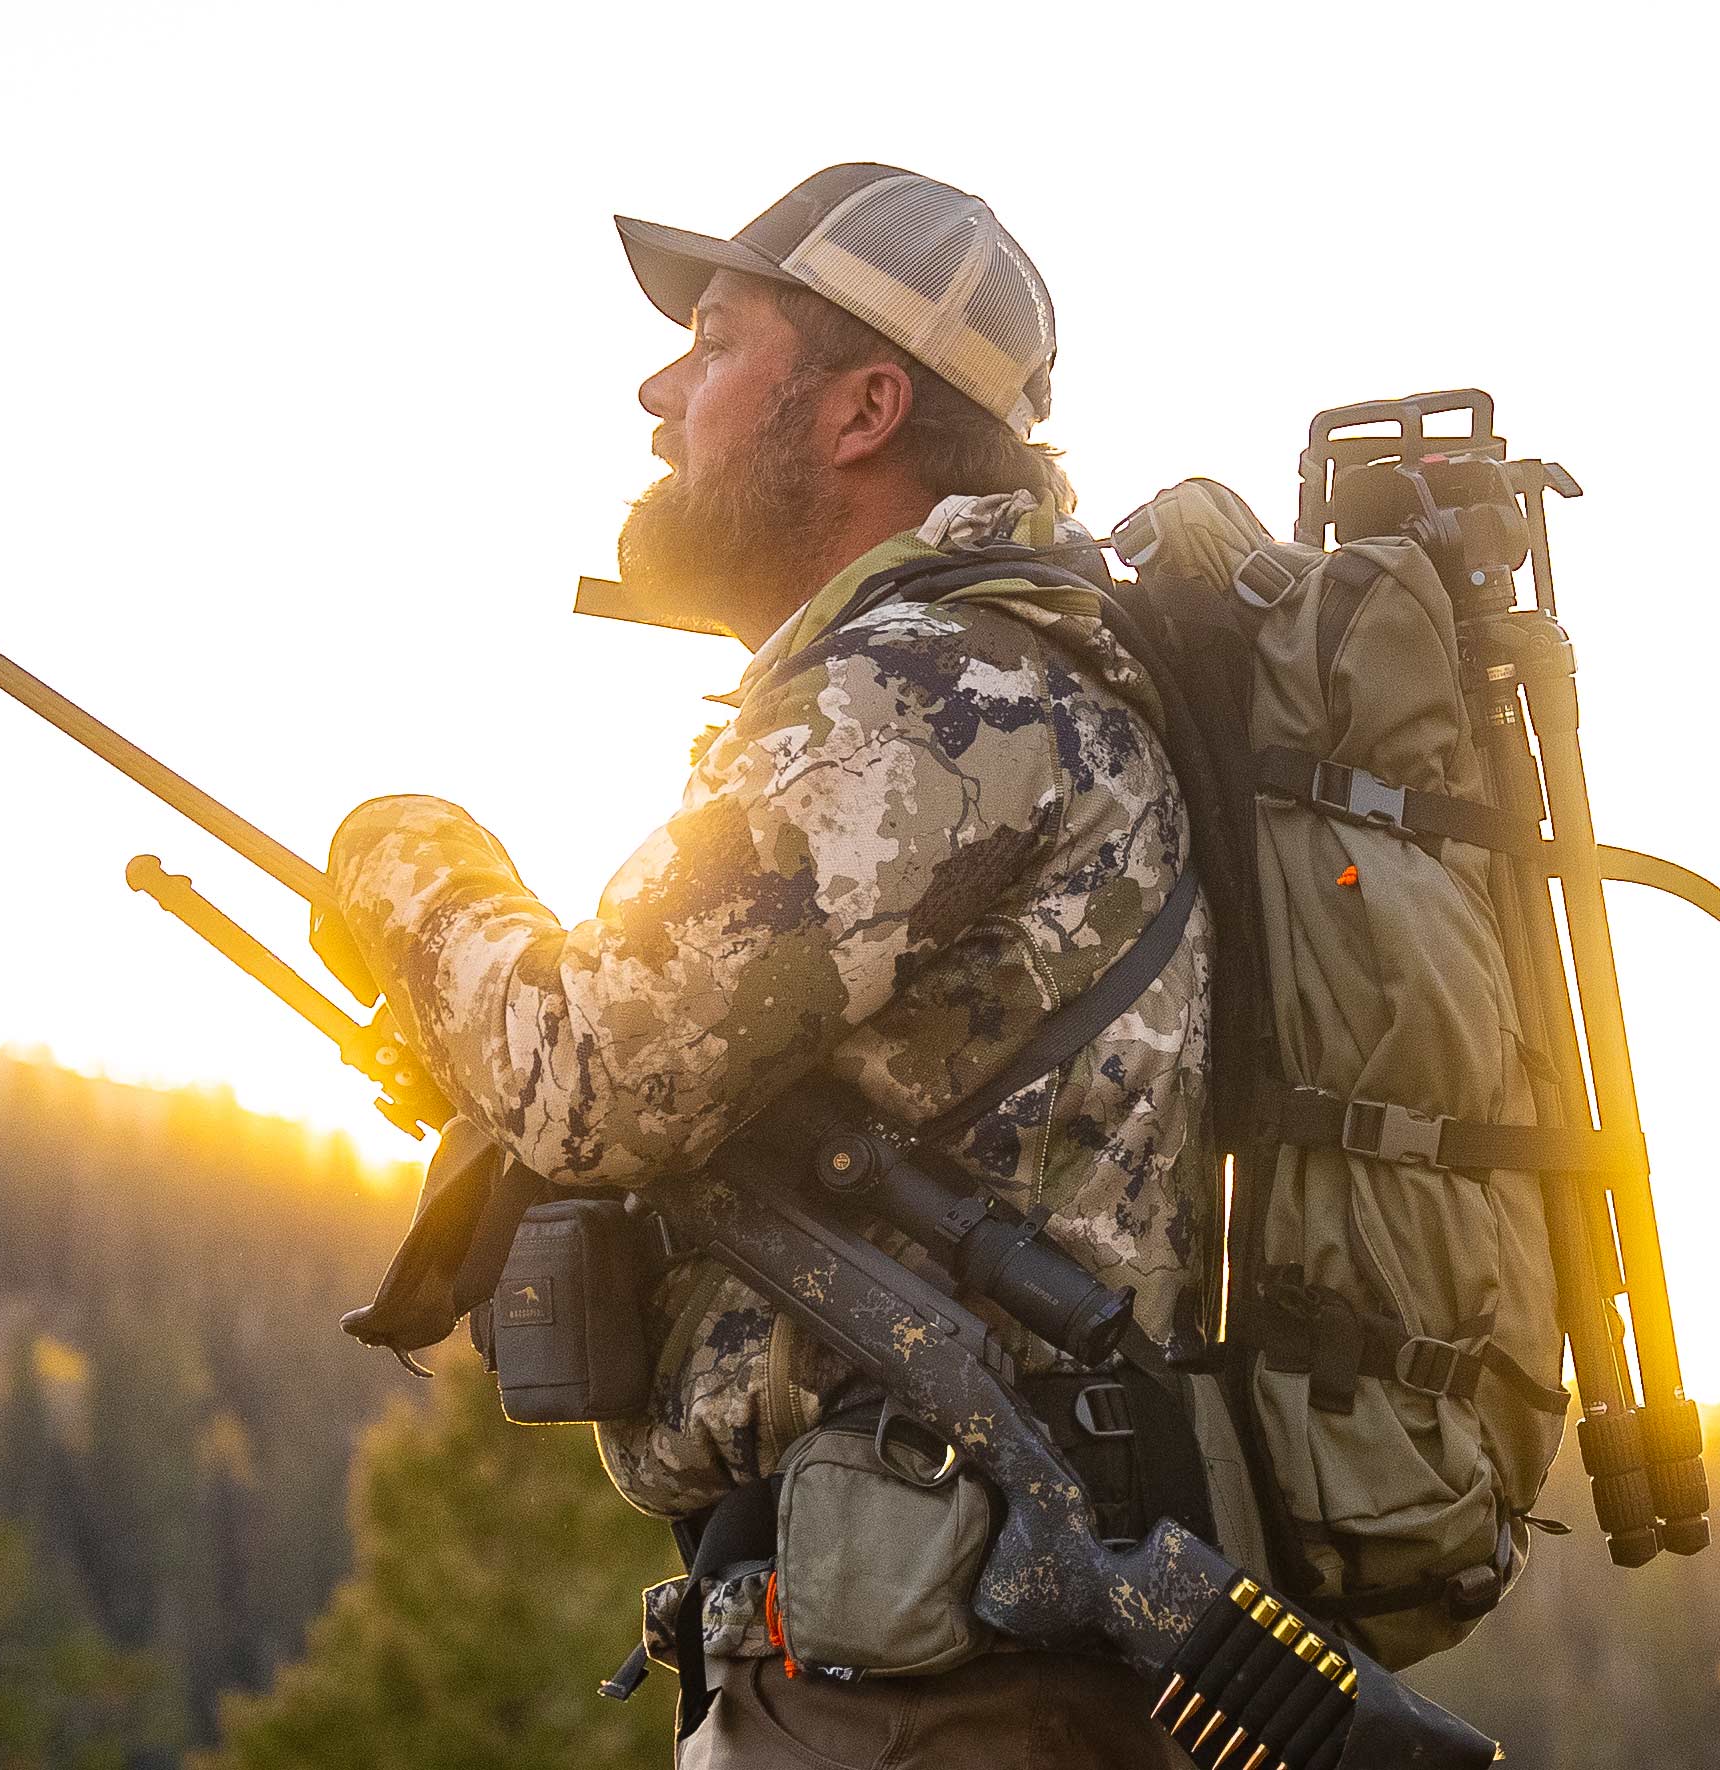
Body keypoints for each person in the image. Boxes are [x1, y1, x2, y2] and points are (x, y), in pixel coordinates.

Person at [325, 164, 1212, 1768]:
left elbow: (599, 1071)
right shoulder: (978, 684)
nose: (659, 391)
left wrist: (402, 857)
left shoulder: (935, 696)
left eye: (718, 342)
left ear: (865, 406)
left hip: (919, 1698)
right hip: (909, 1669)